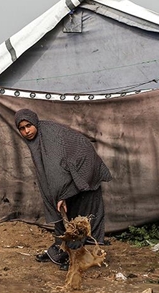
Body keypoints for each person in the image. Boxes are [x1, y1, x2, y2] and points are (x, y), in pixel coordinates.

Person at [14, 108, 112, 270]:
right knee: (61, 212)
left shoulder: (49, 136)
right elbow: (50, 172)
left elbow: (57, 170)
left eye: (29, 126)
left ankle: (76, 257)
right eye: (22, 128)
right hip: (70, 174)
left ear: (35, 123)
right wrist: (58, 196)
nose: (27, 131)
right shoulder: (39, 138)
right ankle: (60, 251)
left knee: (80, 216)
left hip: (83, 170)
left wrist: (63, 195)